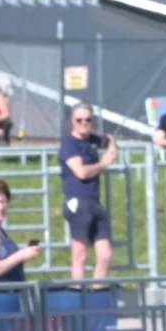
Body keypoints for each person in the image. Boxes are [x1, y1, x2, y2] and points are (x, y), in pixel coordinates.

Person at [60, 104, 119, 280]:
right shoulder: (69, 143)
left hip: (94, 202)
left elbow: (108, 140)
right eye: (79, 120)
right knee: (80, 255)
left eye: (88, 120)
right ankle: (78, 294)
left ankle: (97, 292)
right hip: (78, 201)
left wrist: (112, 144)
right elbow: (81, 172)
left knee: (105, 254)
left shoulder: (92, 140)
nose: (84, 123)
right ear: (72, 121)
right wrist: (104, 164)